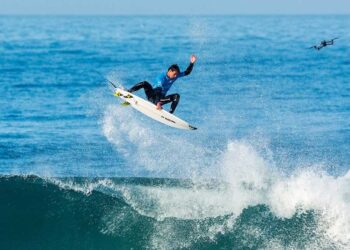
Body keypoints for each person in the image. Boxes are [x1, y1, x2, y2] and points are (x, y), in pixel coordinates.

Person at [127, 55, 197, 114]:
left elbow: (187, 72)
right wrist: (158, 103)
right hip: (152, 96)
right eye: (174, 74)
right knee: (145, 83)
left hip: (161, 99)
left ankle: (170, 113)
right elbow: (158, 90)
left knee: (176, 96)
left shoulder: (176, 76)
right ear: (169, 71)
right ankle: (128, 92)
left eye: (177, 74)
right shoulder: (161, 78)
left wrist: (191, 63)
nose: (176, 76)